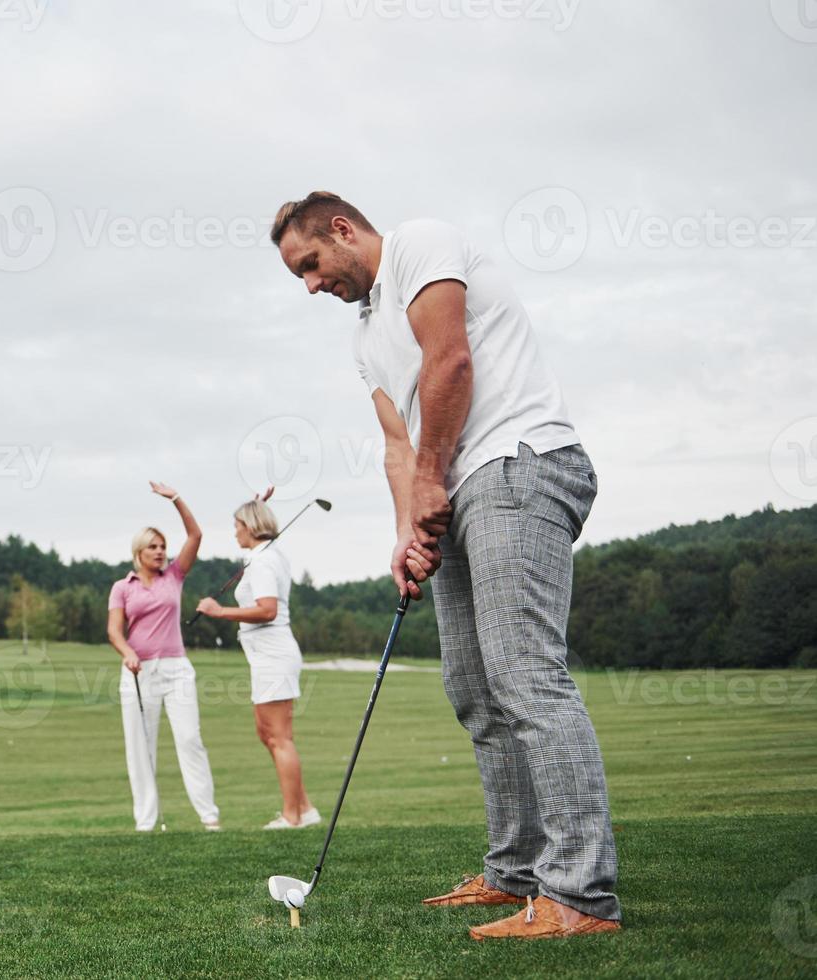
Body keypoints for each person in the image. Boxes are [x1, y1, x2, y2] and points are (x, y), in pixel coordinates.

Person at [270, 191, 619, 940]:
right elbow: (398, 443)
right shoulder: (363, 337)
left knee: (524, 676)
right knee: (474, 688)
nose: (309, 285)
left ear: (341, 230)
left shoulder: (421, 244)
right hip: (459, 489)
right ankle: (516, 872)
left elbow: (449, 360)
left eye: (310, 264)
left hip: (518, 463)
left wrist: (432, 478)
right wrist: (406, 530)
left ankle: (579, 896)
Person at [194, 498, 319, 830]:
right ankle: (304, 808)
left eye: (237, 525)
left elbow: (267, 610)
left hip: (274, 655)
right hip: (266, 657)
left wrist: (220, 612)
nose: (234, 532)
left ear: (250, 527)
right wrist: (257, 501)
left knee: (279, 736)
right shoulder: (263, 557)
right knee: (267, 734)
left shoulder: (263, 562)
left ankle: (293, 817)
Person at [106, 482, 221, 832]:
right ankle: (146, 822)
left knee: (189, 739)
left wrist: (175, 498)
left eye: (162, 547)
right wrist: (127, 653)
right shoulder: (122, 587)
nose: (160, 552)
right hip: (139, 672)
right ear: (138, 553)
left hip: (176, 670)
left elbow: (196, 535)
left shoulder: (175, 575)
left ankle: (209, 816)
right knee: (140, 749)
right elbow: (114, 631)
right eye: (152, 547)